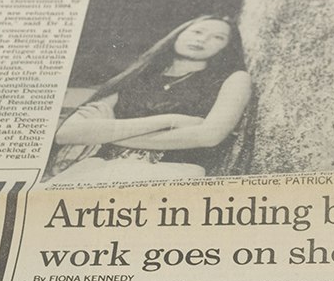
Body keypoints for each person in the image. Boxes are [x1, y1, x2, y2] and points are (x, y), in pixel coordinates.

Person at [43, 15, 252, 184]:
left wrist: (103, 133)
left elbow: (208, 137)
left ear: (226, 48)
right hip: (96, 171)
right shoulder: (136, 78)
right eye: (197, 31)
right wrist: (170, 120)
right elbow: (67, 133)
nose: (202, 39)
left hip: (170, 175)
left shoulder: (234, 79)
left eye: (218, 37)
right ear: (177, 35)